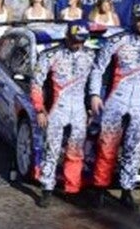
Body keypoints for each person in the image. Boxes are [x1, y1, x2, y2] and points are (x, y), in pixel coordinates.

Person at [87, 4, 140, 210]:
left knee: (133, 148)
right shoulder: (116, 40)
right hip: (116, 99)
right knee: (106, 145)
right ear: (133, 18)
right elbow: (98, 68)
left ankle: (127, 190)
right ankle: (100, 188)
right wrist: (94, 94)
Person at [32, 22, 97, 208]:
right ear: (67, 36)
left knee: (76, 151)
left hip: (78, 109)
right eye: (75, 40)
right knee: (51, 149)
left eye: (82, 41)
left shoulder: (91, 55)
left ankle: (72, 190)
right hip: (56, 109)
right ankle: (46, 188)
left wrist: (91, 107)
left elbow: (95, 82)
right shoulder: (50, 55)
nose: (78, 44)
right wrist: (39, 109)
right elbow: (36, 84)